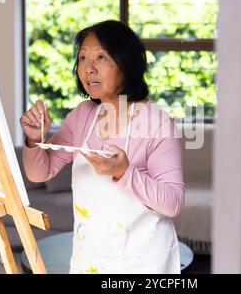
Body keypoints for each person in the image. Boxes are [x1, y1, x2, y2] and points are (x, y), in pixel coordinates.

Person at [20, 20, 185, 274]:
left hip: (143, 263)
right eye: (83, 58)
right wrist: (33, 140)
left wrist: (124, 172)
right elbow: (40, 172)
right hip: (90, 260)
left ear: (126, 63)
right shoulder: (82, 116)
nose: (89, 68)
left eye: (100, 57)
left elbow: (173, 203)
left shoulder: (156, 122)